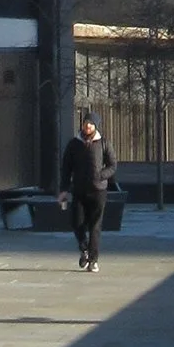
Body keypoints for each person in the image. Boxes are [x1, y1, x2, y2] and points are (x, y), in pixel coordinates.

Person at [59, 112, 115, 271]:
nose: (87, 126)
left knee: (95, 226)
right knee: (77, 222)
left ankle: (93, 260)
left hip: (98, 191)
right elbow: (66, 168)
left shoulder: (104, 143)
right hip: (79, 190)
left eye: (91, 123)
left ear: (96, 126)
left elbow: (112, 165)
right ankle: (84, 249)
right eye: (86, 123)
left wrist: (101, 175)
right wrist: (63, 190)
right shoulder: (74, 144)